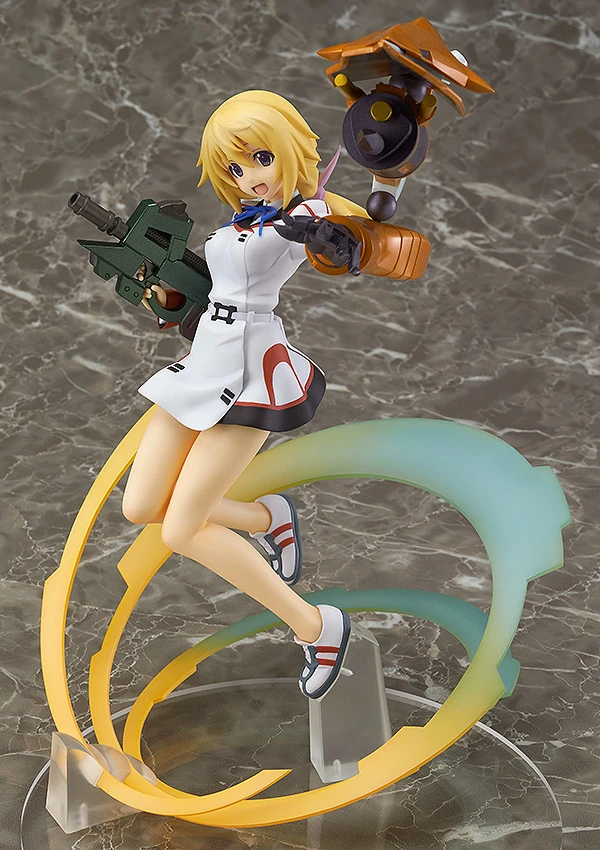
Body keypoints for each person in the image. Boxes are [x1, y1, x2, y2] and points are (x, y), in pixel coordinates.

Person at [122, 90, 365, 700]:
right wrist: (169, 298)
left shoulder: (305, 214)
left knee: (181, 531)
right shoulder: (244, 220)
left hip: (251, 371)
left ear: (287, 149)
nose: (249, 177)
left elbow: (342, 245)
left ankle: (317, 627)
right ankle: (266, 517)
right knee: (142, 506)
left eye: (260, 158)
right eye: (234, 167)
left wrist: (327, 232)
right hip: (205, 356)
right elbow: (215, 286)